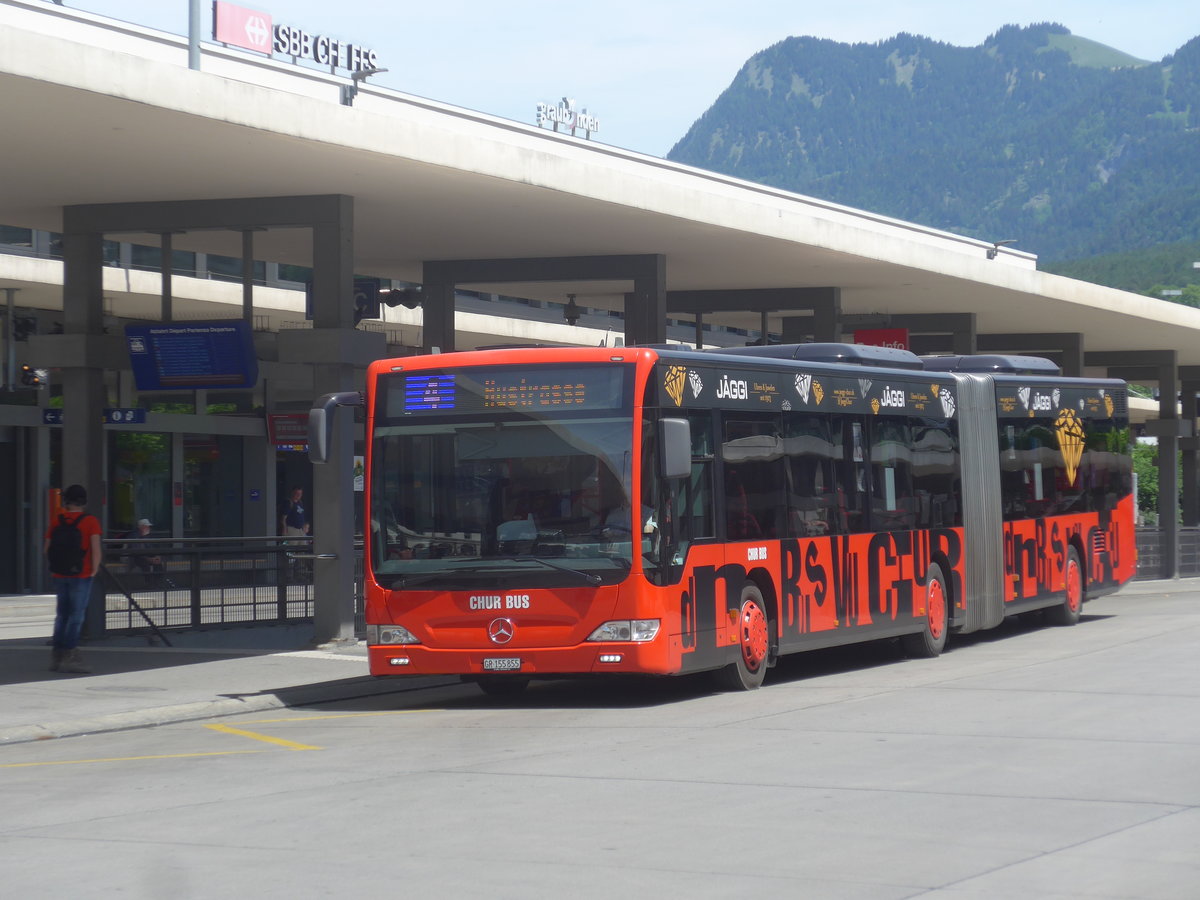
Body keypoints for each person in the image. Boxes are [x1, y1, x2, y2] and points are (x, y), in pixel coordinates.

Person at [44, 484, 102, 674]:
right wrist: (93, 570)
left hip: (60, 574)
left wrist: (56, 567)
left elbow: (47, 548)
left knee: (62, 615)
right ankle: (70, 654)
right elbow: (96, 549)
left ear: (66, 501)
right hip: (81, 574)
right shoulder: (90, 521)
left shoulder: (57, 520)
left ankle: (56, 655)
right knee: (76, 616)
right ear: (83, 501)